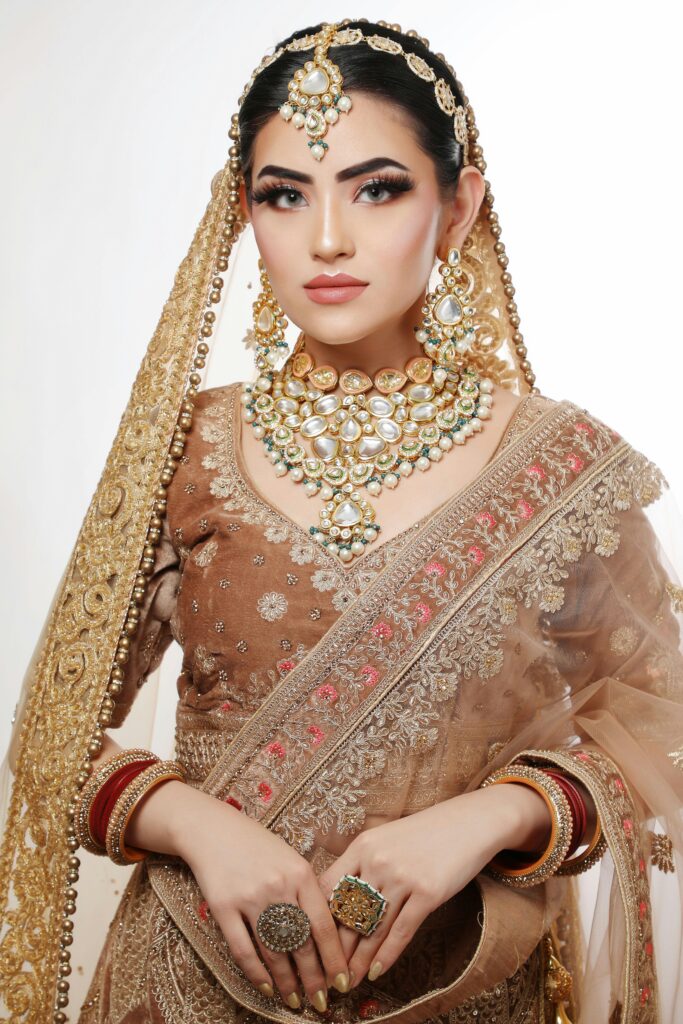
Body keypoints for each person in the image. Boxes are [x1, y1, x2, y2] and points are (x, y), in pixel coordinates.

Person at [1, 17, 682, 1024]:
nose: (326, 237)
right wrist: (192, 823)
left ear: (456, 207)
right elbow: (53, 738)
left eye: (376, 188)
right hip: (184, 981)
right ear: (244, 214)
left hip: (462, 991)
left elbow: (658, 725)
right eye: (285, 194)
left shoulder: (558, 466)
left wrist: (491, 814)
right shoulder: (183, 444)